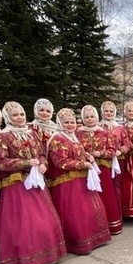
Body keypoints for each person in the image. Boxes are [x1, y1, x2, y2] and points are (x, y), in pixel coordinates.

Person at [0, 101, 66, 264]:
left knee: (42, 219)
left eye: (21, 115)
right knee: (24, 222)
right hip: (17, 185)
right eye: (15, 115)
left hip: (36, 181)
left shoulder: (31, 133)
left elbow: (41, 153)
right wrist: (25, 163)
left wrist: (42, 164)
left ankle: (48, 255)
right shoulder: (2, 137)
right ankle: (25, 260)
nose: (19, 118)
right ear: (8, 117)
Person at [47, 108, 111, 254]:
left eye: (72, 122)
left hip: (80, 179)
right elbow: (60, 162)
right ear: (60, 123)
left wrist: (87, 156)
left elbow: (77, 153)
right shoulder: (58, 138)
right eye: (66, 122)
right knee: (75, 213)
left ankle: (94, 238)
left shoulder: (72, 137)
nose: (70, 125)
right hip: (67, 182)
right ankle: (78, 242)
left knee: (88, 210)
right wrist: (83, 164)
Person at [77, 105, 122, 235]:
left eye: (92, 116)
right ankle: (94, 228)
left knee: (106, 194)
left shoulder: (104, 132)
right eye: (87, 117)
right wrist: (85, 156)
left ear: (96, 117)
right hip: (86, 169)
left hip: (103, 168)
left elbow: (112, 150)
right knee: (89, 197)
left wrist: (100, 154)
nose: (90, 119)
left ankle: (110, 224)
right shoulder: (78, 133)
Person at [99, 101, 129, 214]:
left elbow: (127, 144)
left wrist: (120, 151)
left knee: (117, 185)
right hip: (103, 161)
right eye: (106, 111)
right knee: (106, 187)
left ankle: (118, 212)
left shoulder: (120, 128)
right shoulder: (98, 127)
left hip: (118, 160)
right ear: (102, 112)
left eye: (111, 111)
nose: (109, 113)